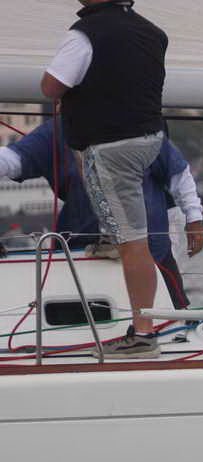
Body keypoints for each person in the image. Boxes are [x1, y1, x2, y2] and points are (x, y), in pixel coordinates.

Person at [41, 0, 168, 358]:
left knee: (134, 241)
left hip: (112, 146)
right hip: (147, 138)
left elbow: (51, 86)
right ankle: (113, 237)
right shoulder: (152, 32)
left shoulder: (85, 34)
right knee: (126, 232)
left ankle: (143, 336)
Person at [0, 121, 203, 310]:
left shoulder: (138, 123)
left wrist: (194, 217)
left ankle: (145, 331)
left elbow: (178, 172)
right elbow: (12, 159)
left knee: (171, 317)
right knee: (77, 320)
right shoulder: (55, 132)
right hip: (80, 255)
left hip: (150, 249)